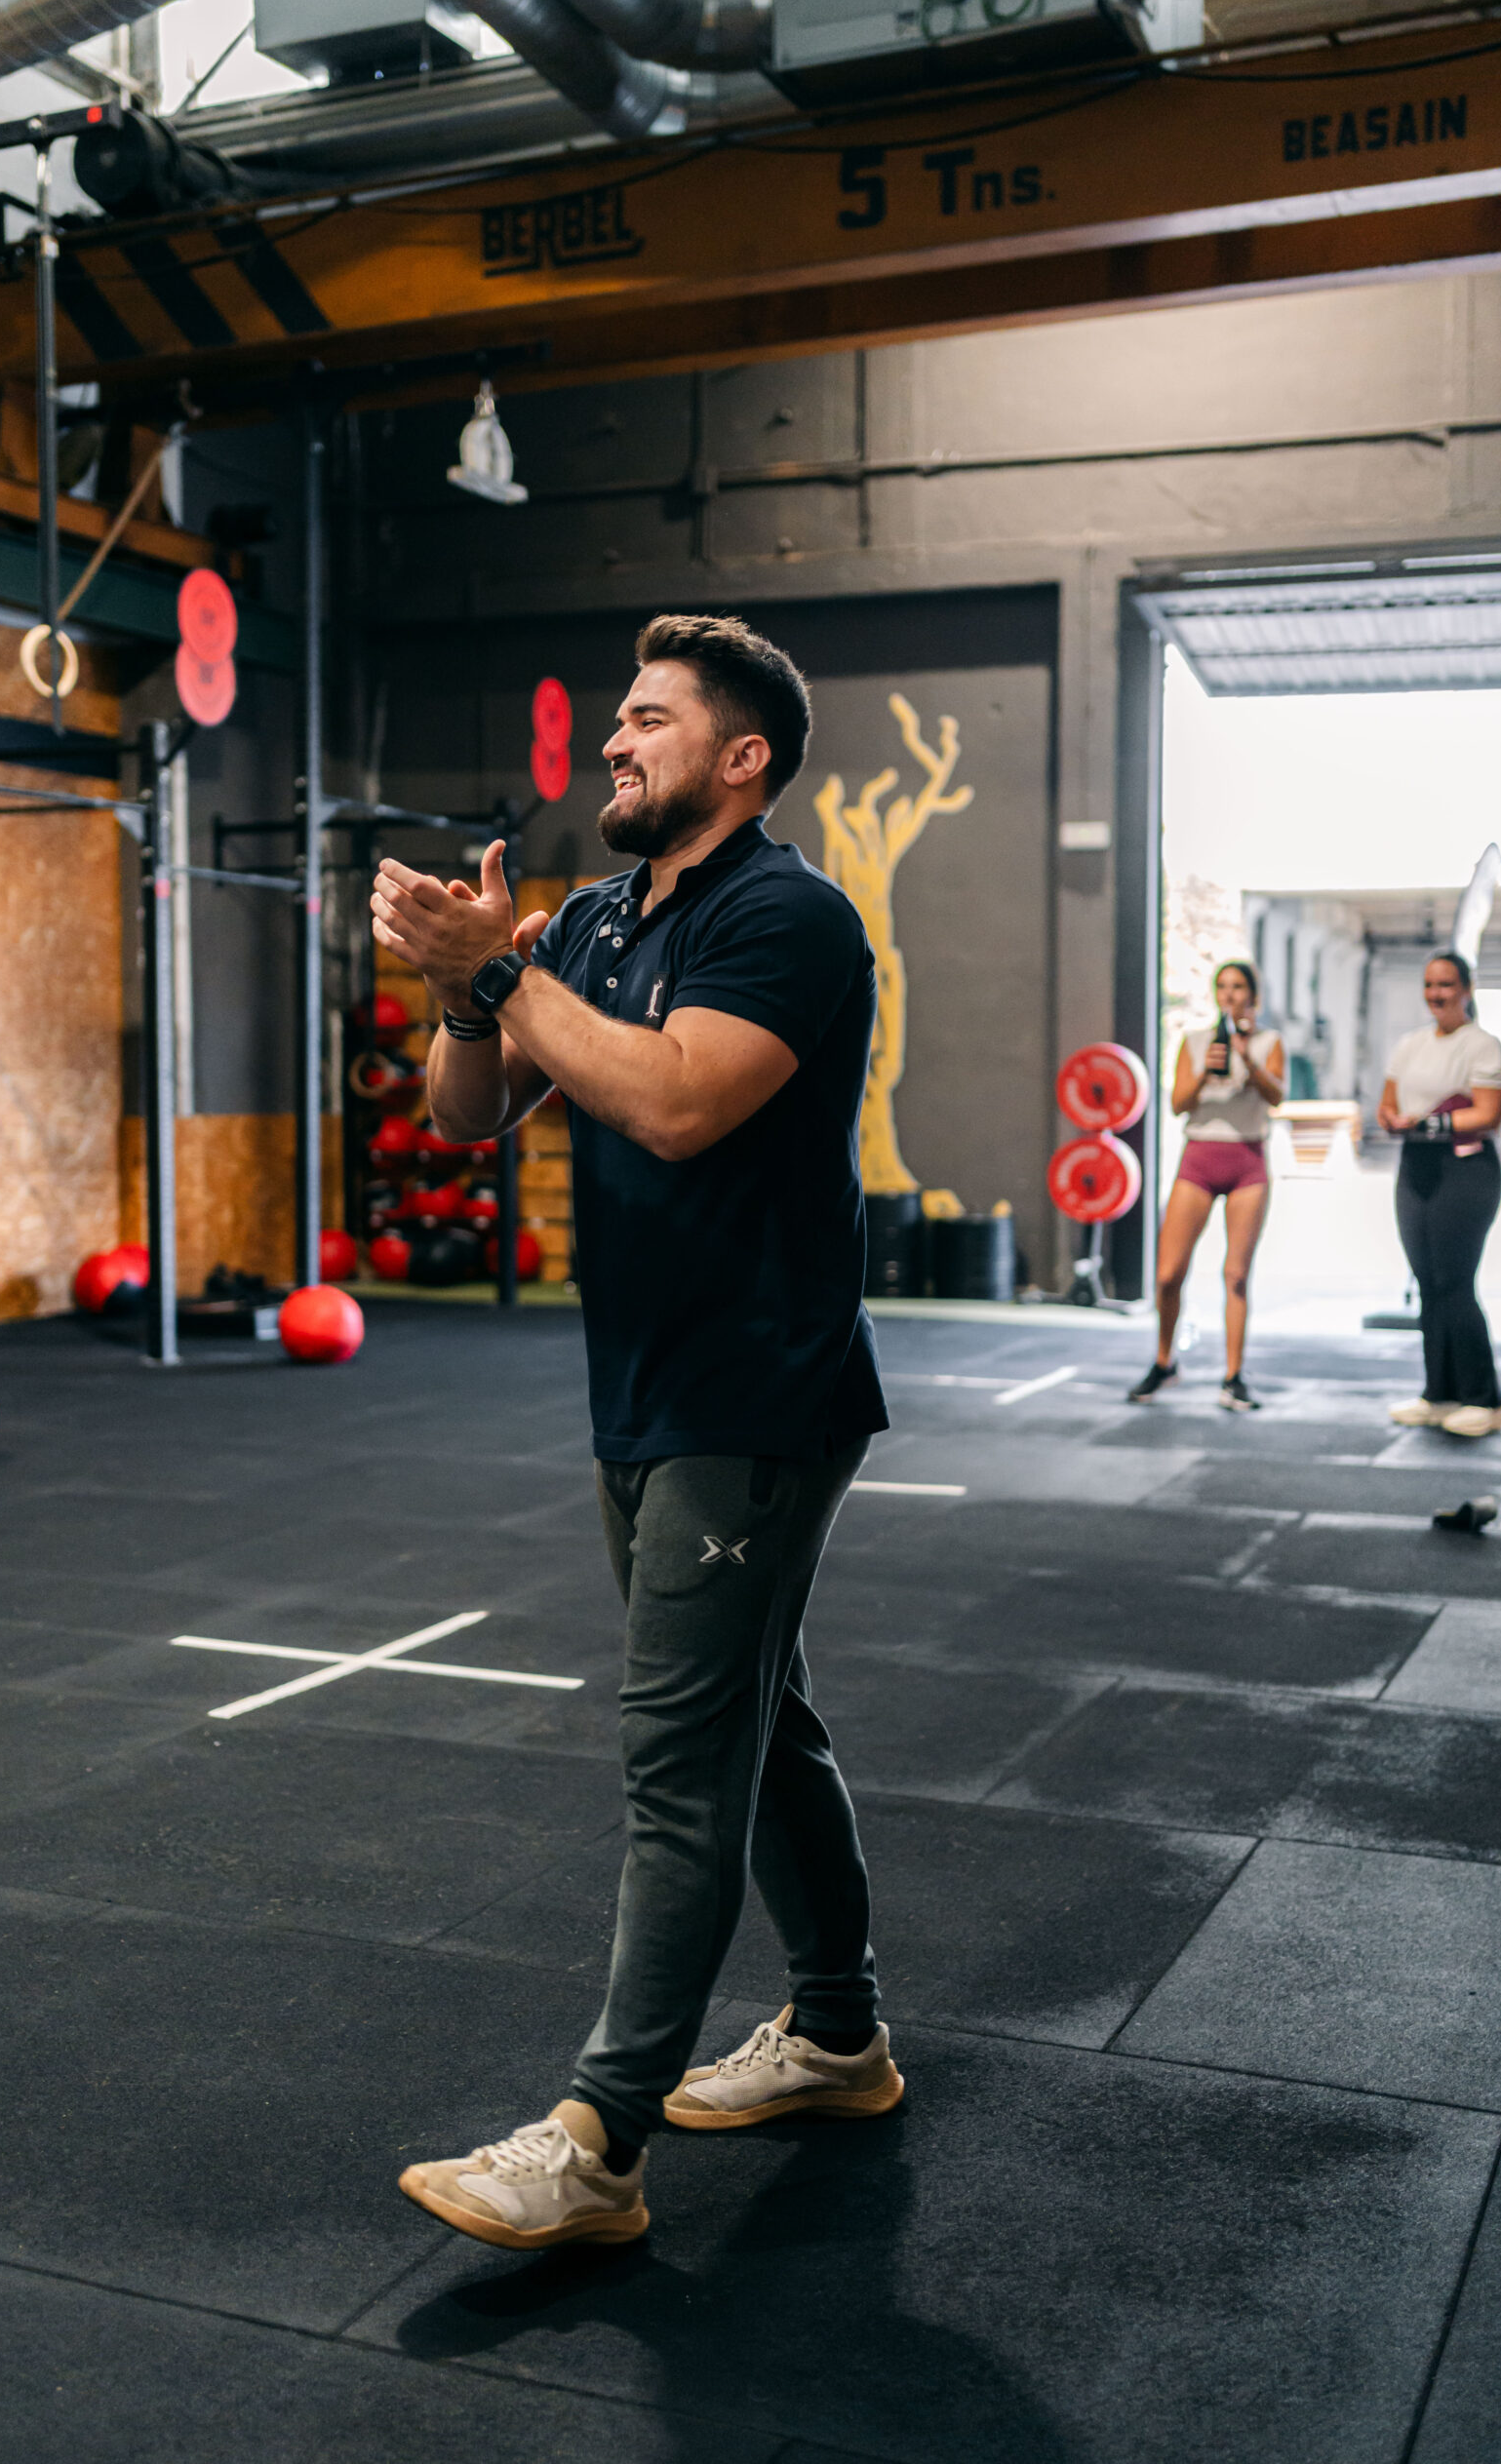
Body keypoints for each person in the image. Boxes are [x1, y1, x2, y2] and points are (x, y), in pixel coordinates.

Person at [369, 613, 901, 2255]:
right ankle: (837, 2036)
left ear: (739, 758)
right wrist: (467, 992)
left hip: (758, 1391)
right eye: (617, 714)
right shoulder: (598, 919)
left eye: (649, 718)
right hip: (644, 1387)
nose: (613, 738)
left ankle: (599, 2139)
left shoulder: (787, 917)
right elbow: (468, 1115)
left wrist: (500, 971)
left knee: (678, 1756)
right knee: (756, 1718)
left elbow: (672, 1102)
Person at [1128, 959, 1285, 1413]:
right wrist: (1205, 1070)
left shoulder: (1269, 1043)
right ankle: (1164, 1361)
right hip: (1199, 1158)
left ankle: (1233, 1377)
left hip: (1247, 1160)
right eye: (1223, 986)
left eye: (1238, 987)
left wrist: (1246, 1058)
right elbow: (1179, 1103)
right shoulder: (1196, 1042)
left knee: (1236, 1275)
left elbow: (1277, 1096)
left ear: (1252, 995)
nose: (1229, 994)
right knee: (1168, 1273)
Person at [1380, 950, 1501, 1437]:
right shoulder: (1410, 1045)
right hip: (1417, 1165)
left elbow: (1488, 1114)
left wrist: (1425, 1122)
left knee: (1455, 1281)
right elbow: (1387, 1103)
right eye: (1430, 984)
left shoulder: (1484, 1046)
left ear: (1466, 989)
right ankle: (1439, 1393)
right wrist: (1392, 1120)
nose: (1436, 994)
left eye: (1446, 984)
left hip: (1467, 1169)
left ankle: (1485, 1399)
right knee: (1428, 1281)